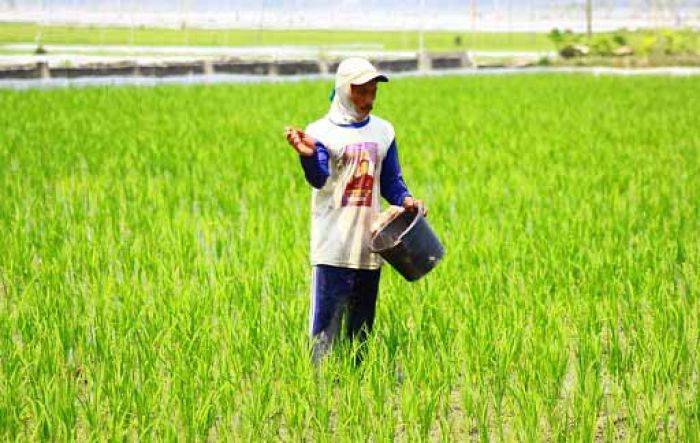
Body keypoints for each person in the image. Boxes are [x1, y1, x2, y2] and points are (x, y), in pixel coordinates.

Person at [283, 57, 425, 364]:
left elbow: (391, 183)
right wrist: (308, 156)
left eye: (373, 91)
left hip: (369, 249)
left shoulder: (383, 132)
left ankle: (357, 392)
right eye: (361, 92)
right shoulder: (321, 131)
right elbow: (319, 177)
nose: (368, 100)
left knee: (361, 335)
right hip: (332, 246)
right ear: (344, 90)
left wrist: (408, 201)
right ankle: (320, 395)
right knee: (325, 334)